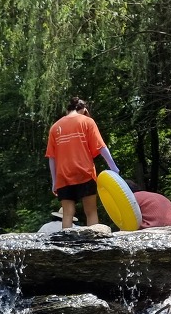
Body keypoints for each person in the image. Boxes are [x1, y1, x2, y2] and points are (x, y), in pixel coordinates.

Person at [45, 97, 120, 230]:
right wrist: (114, 168)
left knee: (67, 214)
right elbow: (101, 147)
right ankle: (94, 241)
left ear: (67, 110)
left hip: (63, 176)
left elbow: (52, 157)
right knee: (91, 212)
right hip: (85, 172)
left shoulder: (55, 127)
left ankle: (66, 242)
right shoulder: (87, 121)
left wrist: (54, 181)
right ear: (84, 109)